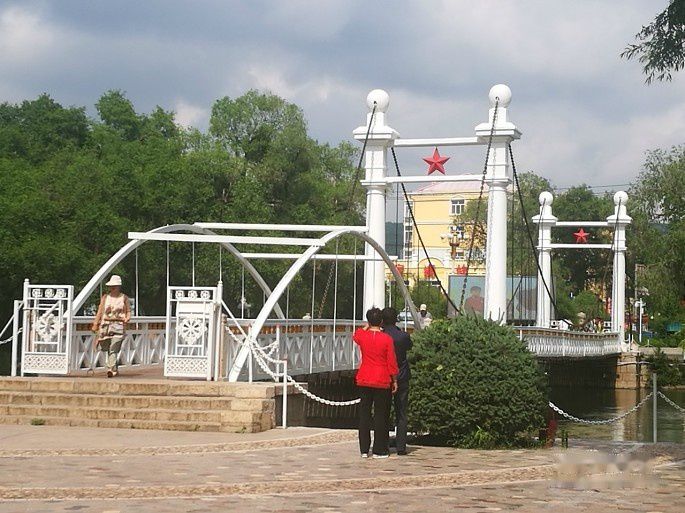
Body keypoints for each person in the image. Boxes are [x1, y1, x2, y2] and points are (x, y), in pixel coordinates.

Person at [353, 307, 398, 459]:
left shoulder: (363, 337)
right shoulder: (386, 339)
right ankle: (379, 449)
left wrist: (368, 325)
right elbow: (391, 361)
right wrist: (395, 379)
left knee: (364, 415)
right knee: (381, 415)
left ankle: (364, 449)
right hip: (381, 379)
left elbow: (356, 335)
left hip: (364, 377)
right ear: (382, 321)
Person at [381, 307, 412, 456]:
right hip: (402, 375)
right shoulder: (403, 336)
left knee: (383, 411)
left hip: (385, 376)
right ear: (396, 319)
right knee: (401, 412)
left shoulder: (381, 336)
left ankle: (383, 444)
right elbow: (409, 347)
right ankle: (401, 446)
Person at [91, 275, 131, 378]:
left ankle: (110, 368)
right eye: (111, 286)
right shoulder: (105, 298)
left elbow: (128, 311)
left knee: (114, 347)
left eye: (114, 286)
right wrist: (95, 323)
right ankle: (115, 369)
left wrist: (127, 318)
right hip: (106, 326)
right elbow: (100, 311)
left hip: (119, 325)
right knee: (107, 347)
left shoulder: (124, 298)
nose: (112, 288)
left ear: (118, 287)